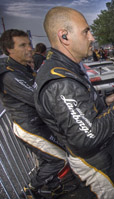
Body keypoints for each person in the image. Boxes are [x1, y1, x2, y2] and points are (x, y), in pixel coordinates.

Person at [34, 6, 114, 199]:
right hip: (94, 162)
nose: (92, 38)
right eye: (86, 31)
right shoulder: (61, 82)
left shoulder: (65, 67)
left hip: (97, 157)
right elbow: (88, 138)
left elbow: (79, 111)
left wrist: (105, 102)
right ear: (64, 37)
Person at [0, 29, 70, 198]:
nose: (30, 48)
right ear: (9, 50)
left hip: (37, 123)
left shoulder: (23, 68)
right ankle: (30, 188)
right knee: (59, 158)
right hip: (28, 127)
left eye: (29, 44)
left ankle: (55, 187)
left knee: (50, 158)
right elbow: (37, 98)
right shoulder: (9, 75)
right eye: (23, 45)